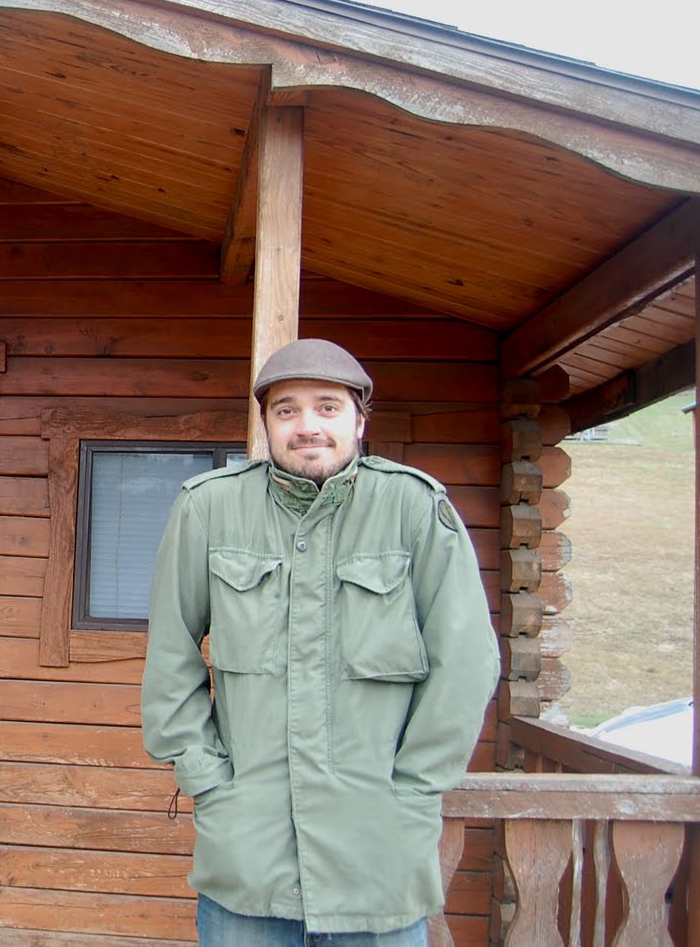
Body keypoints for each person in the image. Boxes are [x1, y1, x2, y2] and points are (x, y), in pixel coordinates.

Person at [140, 338, 500, 944]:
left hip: (378, 860)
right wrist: (208, 780)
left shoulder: (415, 509)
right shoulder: (207, 510)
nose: (307, 426)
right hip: (246, 862)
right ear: (266, 426)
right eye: (287, 410)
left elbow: (465, 665)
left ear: (360, 419)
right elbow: (170, 660)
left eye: (327, 407)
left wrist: (411, 792)